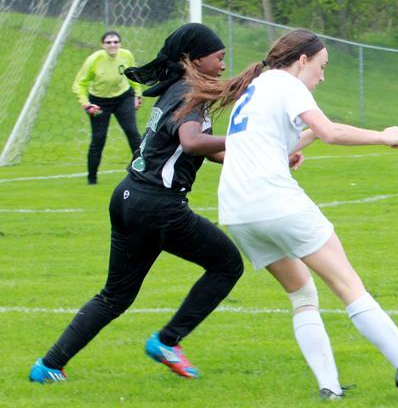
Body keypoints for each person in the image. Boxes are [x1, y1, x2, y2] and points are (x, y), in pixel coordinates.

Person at [179, 28, 398, 402]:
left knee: (303, 294)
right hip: (274, 201)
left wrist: (294, 147)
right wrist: (384, 136)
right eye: (322, 66)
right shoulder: (287, 83)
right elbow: (330, 132)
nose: (322, 76)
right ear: (302, 60)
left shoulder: (256, 87)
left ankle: (329, 388)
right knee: (349, 287)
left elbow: (275, 141)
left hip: (238, 211)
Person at [29, 23, 244, 383]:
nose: (223, 65)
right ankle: (167, 341)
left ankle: (48, 366)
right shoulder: (190, 92)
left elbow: (205, 151)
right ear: (194, 59)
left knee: (115, 296)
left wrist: (264, 156)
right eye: (219, 57)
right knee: (227, 265)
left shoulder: (178, 89)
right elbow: (192, 143)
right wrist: (248, 140)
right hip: (159, 206)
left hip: (128, 196)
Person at [72, 31, 143, 184]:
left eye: (116, 42)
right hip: (99, 102)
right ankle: (92, 179)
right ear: (102, 45)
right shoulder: (94, 60)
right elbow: (79, 84)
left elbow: (133, 76)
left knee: (133, 133)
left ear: (120, 43)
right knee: (98, 139)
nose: (112, 45)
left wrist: (137, 95)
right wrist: (86, 104)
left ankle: (144, 172)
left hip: (123, 98)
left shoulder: (126, 55)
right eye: (109, 42)